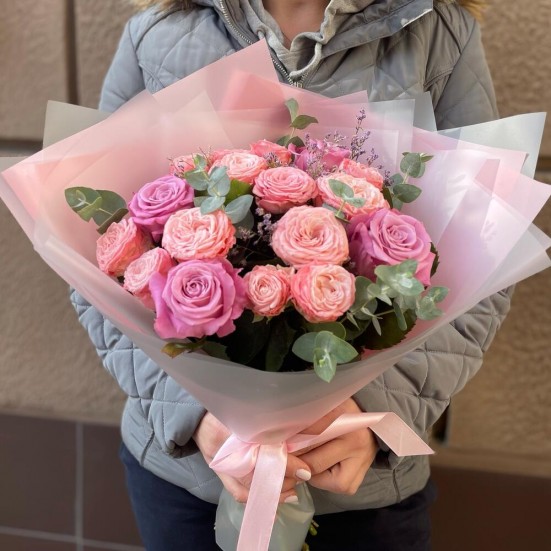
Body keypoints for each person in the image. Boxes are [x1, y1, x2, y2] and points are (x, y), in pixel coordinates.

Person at [71, 0, 511, 549]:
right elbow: (99, 261)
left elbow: (487, 251)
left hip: (364, 487)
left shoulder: (439, 35)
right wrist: (194, 415)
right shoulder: (157, 33)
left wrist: (376, 413)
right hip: (190, 480)